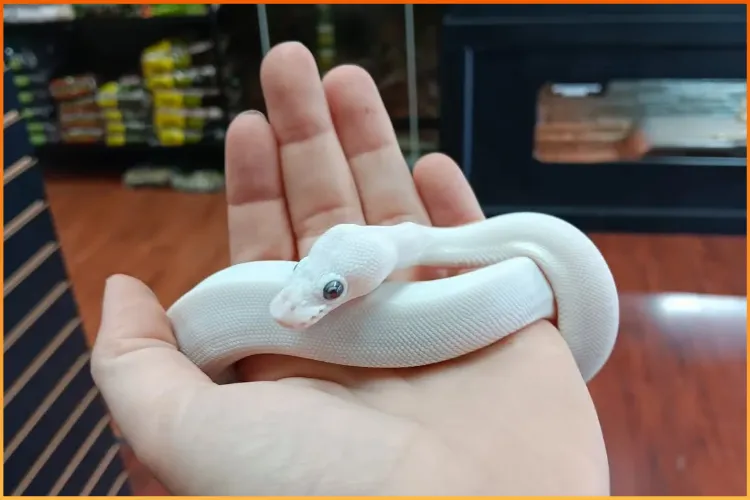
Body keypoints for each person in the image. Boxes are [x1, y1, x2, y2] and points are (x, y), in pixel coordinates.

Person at [91, 42, 609, 495]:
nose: (293, 308)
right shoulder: (454, 256)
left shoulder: (508, 255)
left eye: (332, 290)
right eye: (309, 276)